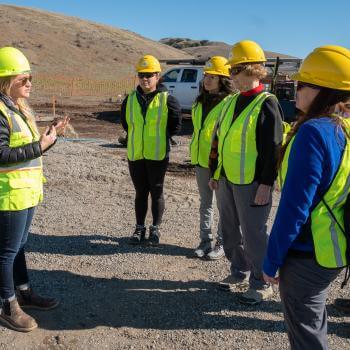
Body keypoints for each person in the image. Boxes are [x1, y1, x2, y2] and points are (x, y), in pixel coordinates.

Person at [263, 45, 350, 349]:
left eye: (301, 84)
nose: (295, 90)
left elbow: (294, 208)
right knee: (313, 321)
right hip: (335, 248)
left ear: (322, 90)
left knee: (306, 335)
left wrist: (271, 261)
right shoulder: (345, 127)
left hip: (307, 253)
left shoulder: (314, 132)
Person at [0, 47, 69, 332]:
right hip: (9, 194)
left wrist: (49, 140)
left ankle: (23, 292)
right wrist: (39, 146)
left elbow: (29, 154)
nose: (29, 83)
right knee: (5, 252)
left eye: (31, 78)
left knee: (18, 248)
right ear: (6, 81)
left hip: (26, 192)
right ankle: (6, 304)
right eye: (23, 78)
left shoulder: (19, 109)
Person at [209, 40, 283, 304]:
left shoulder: (267, 103)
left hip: (251, 183)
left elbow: (272, 149)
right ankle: (238, 271)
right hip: (227, 178)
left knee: (253, 234)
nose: (231, 76)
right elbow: (221, 139)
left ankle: (261, 282)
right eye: (231, 71)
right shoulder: (231, 102)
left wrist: (266, 183)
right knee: (228, 231)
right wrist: (215, 173)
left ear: (252, 69)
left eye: (235, 71)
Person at [120, 55, 181, 246]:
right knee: (140, 192)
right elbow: (126, 124)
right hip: (136, 154)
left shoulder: (168, 100)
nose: (145, 79)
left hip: (157, 154)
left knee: (156, 192)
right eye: (141, 75)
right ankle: (139, 228)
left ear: (157, 76)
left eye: (149, 75)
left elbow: (175, 126)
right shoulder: (129, 99)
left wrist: (159, 139)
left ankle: (155, 229)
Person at [190, 56, 235, 260]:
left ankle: (221, 242)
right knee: (205, 203)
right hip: (201, 161)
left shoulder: (229, 104)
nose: (207, 80)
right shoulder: (199, 102)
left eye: (213, 77)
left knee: (223, 205)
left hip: (220, 163)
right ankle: (205, 241)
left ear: (223, 80)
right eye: (206, 76)